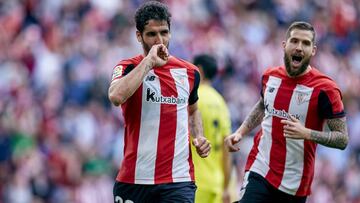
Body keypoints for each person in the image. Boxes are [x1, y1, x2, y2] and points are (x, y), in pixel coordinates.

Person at [224, 21, 349, 203]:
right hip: (261, 168)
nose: (299, 47)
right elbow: (262, 105)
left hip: (295, 184)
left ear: (313, 50)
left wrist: (306, 133)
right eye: (294, 41)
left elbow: (342, 139)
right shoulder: (270, 76)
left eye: (305, 43)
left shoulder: (326, 89)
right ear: (285, 45)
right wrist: (241, 131)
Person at [108, 1, 211, 203]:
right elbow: (115, 97)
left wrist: (199, 136)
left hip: (178, 180)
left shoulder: (189, 72)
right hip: (135, 178)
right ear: (139, 36)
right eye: (151, 34)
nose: (159, 40)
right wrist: (149, 63)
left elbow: (193, 110)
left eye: (164, 32)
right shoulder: (128, 67)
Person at [191, 54, 232, 203]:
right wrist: (226, 187)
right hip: (216, 182)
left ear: (199, 70)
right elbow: (227, 147)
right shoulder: (221, 102)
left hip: (194, 181)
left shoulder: (192, 98)